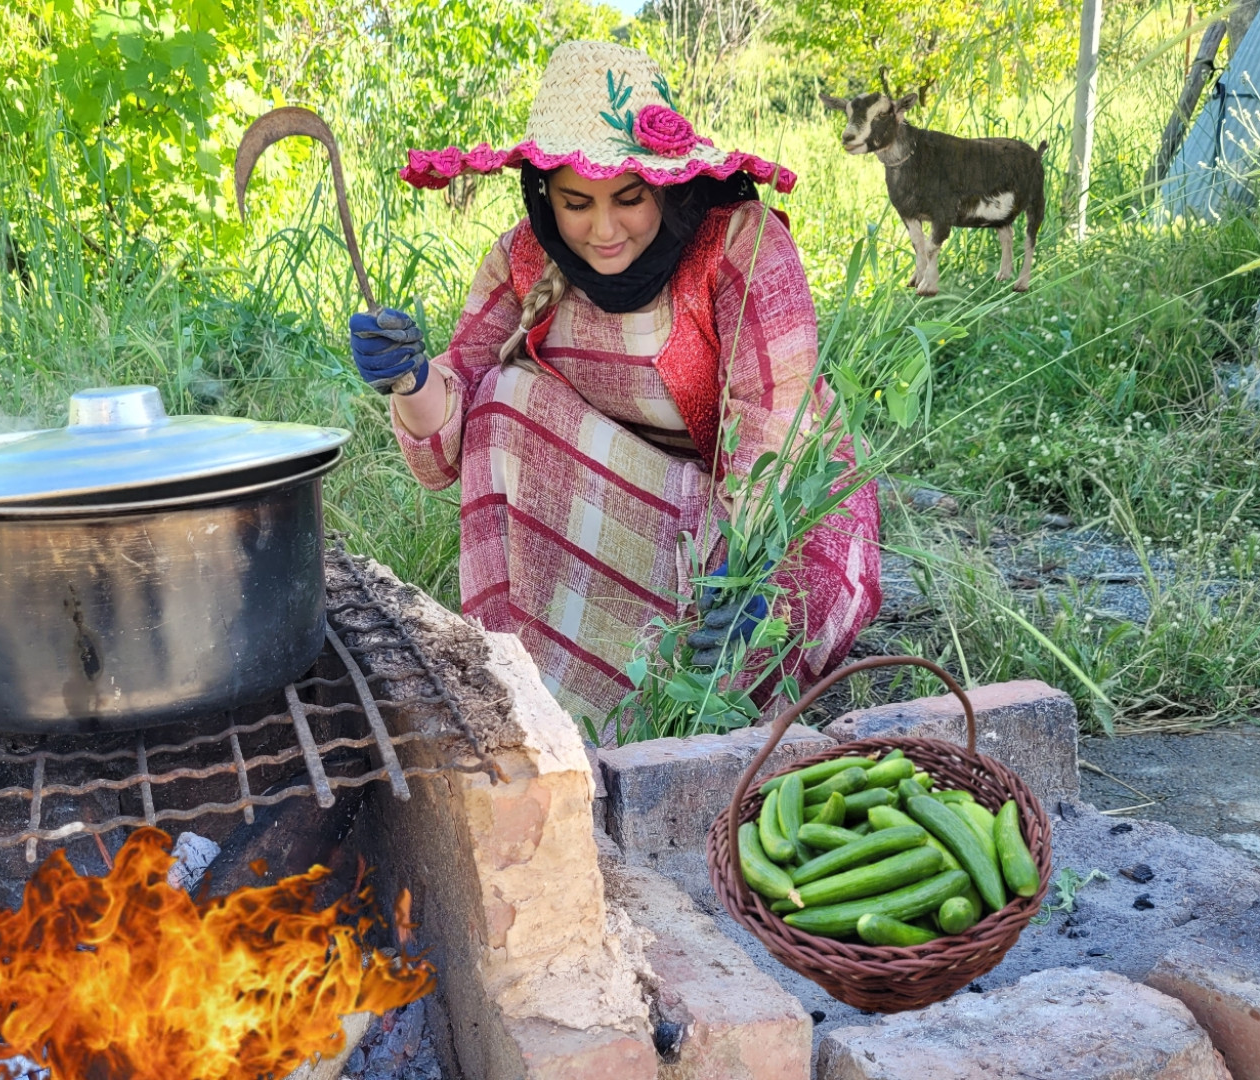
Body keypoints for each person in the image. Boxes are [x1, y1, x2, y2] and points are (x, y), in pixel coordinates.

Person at [348, 40, 882, 726]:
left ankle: (659, 704)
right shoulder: (522, 258)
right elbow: (451, 441)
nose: (604, 230)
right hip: (630, 506)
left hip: (768, 521)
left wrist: (746, 570)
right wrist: (409, 379)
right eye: (576, 203)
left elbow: (777, 428)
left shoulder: (738, 245)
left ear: (668, 185)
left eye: (629, 199)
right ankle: (532, 705)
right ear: (544, 194)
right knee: (504, 403)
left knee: (730, 676)